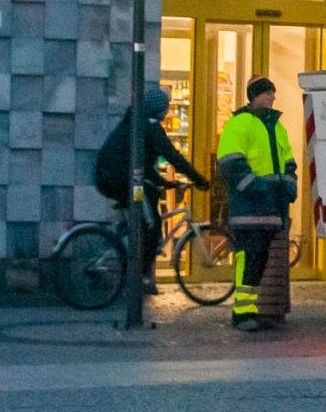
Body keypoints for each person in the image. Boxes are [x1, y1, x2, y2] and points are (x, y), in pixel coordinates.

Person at [94, 84, 209, 294]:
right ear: (159, 109)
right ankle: (142, 276)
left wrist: (165, 183)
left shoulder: (137, 123)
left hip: (112, 177)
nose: (167, 111)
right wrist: (200, 180)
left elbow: (143, 164)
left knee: (146, 212)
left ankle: (130, 253)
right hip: (119, 180)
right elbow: (174, 157)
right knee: (152, 224)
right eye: (166, 107)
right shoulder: (150, 126)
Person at [217, 77, 297, 332]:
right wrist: (260, 188)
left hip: (268, 205)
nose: (273, 97)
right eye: (268, 93)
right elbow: (230, 163)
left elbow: (288, 162)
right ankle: (242, 312)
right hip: (250, 206)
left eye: (273, 93)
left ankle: (248, 310)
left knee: (258, 257)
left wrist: (288, 187)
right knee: (250, 256)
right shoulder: (240, 123)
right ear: (256, 96)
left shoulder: (276, 127)